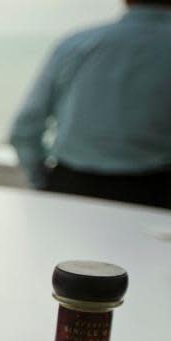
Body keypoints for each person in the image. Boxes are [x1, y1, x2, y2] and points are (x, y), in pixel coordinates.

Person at [10, 0, 171, 208]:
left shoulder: (77, 44)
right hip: (156, 192)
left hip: (72, 185)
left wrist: (42, 182)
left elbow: (26, 126)